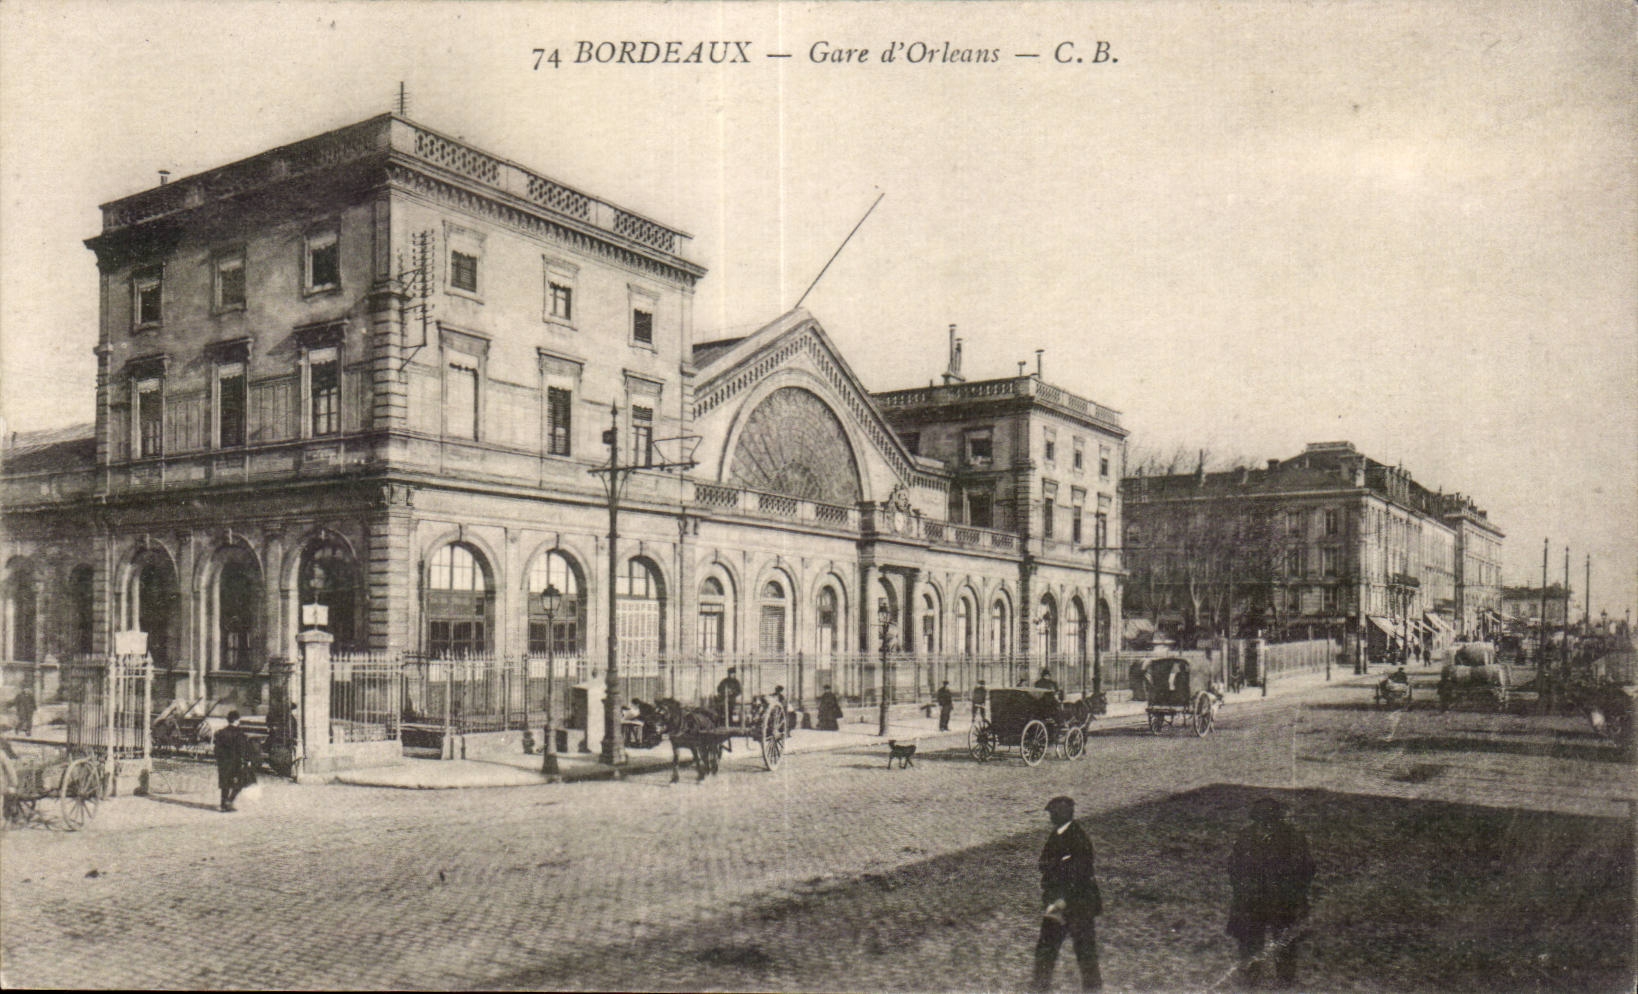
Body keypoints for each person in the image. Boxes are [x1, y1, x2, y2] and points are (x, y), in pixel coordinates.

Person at [1227, 797, 1316, 990]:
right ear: (1255, 819)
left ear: (1278, 819)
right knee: (1250, 939)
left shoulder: (1293, 838)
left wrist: (1295, 892)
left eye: (1270, 819)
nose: (1266, 824)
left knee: (1284, 940)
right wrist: (1243, 889)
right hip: (1253, 898)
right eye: (1261, 819)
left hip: (1283, 899)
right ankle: (1251, 975)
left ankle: (1285, 979)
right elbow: (1234, 866)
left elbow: (1306, 868)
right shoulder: (1246, 836)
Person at [1031, 796, 1102, 993]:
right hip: (1059, 902)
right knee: (1046, 948)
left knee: (1084, 951)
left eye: (1053, 814)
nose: (1051, 817)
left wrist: (1061, 897)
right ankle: (1039, 988)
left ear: (1062, 815)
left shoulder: (1078, 838)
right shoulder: (1059, 833)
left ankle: (1093, 989)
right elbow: (1044, 863)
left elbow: (1079, 874)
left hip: (1077, 905)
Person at [212, 710, 257, 813]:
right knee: (241, 781)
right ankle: (229, 801)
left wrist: (219, 759)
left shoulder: (221, 732)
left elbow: (216, 749)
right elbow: (243, 749)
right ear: (237, 720)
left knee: (225, 784)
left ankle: (223, 804)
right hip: (235, 762)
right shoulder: (239, 734)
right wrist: (247, 760)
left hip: (223, 762)